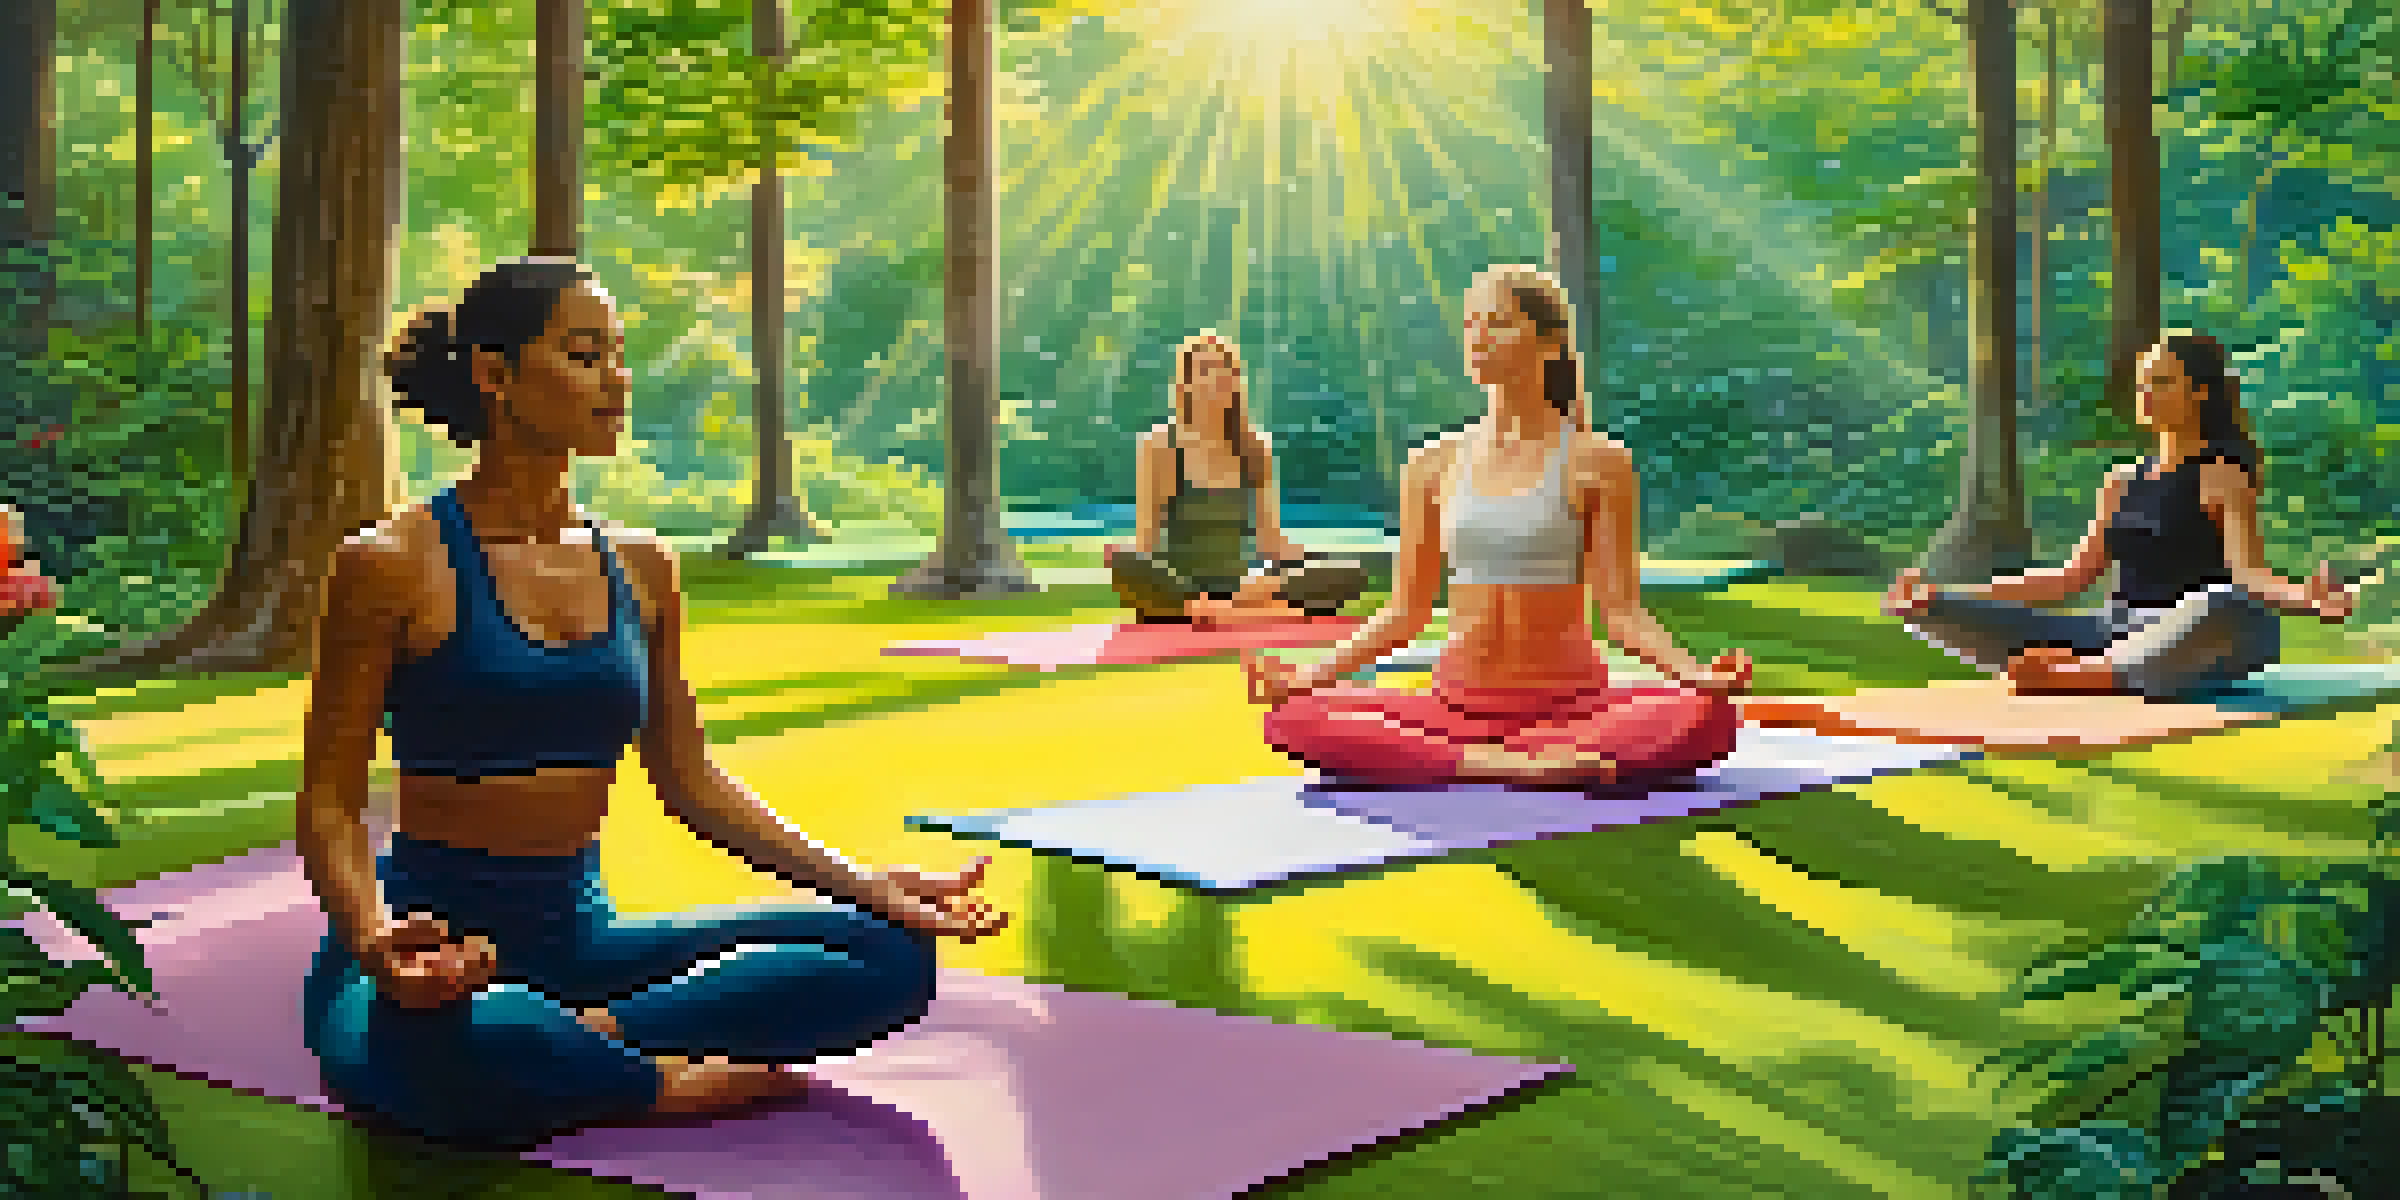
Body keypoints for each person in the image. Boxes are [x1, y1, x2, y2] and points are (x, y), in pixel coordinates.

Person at [299, 258, 1008, 1150]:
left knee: (890, 954)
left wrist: (871, 885)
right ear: (494, 374)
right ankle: (646, 1080)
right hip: (429, 948)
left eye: (620, 356)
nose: (617, 380)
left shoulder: (641, 565)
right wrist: (374, 940)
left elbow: (690, 780)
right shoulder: (388, 564)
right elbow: (328, 801)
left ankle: (598, 1044)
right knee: (465, 1037)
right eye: (585, 354)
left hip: (586, 945)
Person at [1240, 266, 1749, 788]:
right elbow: (1404, 613)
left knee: (1704, 717)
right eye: (1471, 324)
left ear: (1550, 344)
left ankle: (1496, 758)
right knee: (1293, 718)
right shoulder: (1432, 464)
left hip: (1572, 705)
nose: (1479, 337)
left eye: (1499, 323)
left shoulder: (1599, 463)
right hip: (1455, 706)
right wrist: (1305, 677)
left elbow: (1620, 610)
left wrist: (1694, 673)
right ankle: (1510, 764)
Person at [1884, 333, 2358, 698]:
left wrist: (2307, 599)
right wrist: (1944, 594)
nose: (2146, 393)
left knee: (2233, 606)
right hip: (2110, 631)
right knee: (1928, 613)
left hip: (2188, 635)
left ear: (2200, 393)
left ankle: (2080, 676)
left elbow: (2249, 574)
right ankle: (2093, 669)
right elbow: (2069, 578)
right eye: (2143, 383)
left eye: (2163, 381)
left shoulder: (2221, 473)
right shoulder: (2121, 480)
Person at [1105, 331, 1368, 626]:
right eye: (1204, 371)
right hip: (1180, 587)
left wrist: (1319, 561)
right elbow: (1147, 540)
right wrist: (1136, 572)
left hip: (1243, 589)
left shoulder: (1256, 447)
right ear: (1186, 385)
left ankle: (1225, 611)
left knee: (1350, 571)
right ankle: (1245, 612)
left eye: (1223, 371)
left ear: (1235, 383)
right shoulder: (1160, 444)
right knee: (1122, 561)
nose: (1215, 380)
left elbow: (1270, 543)